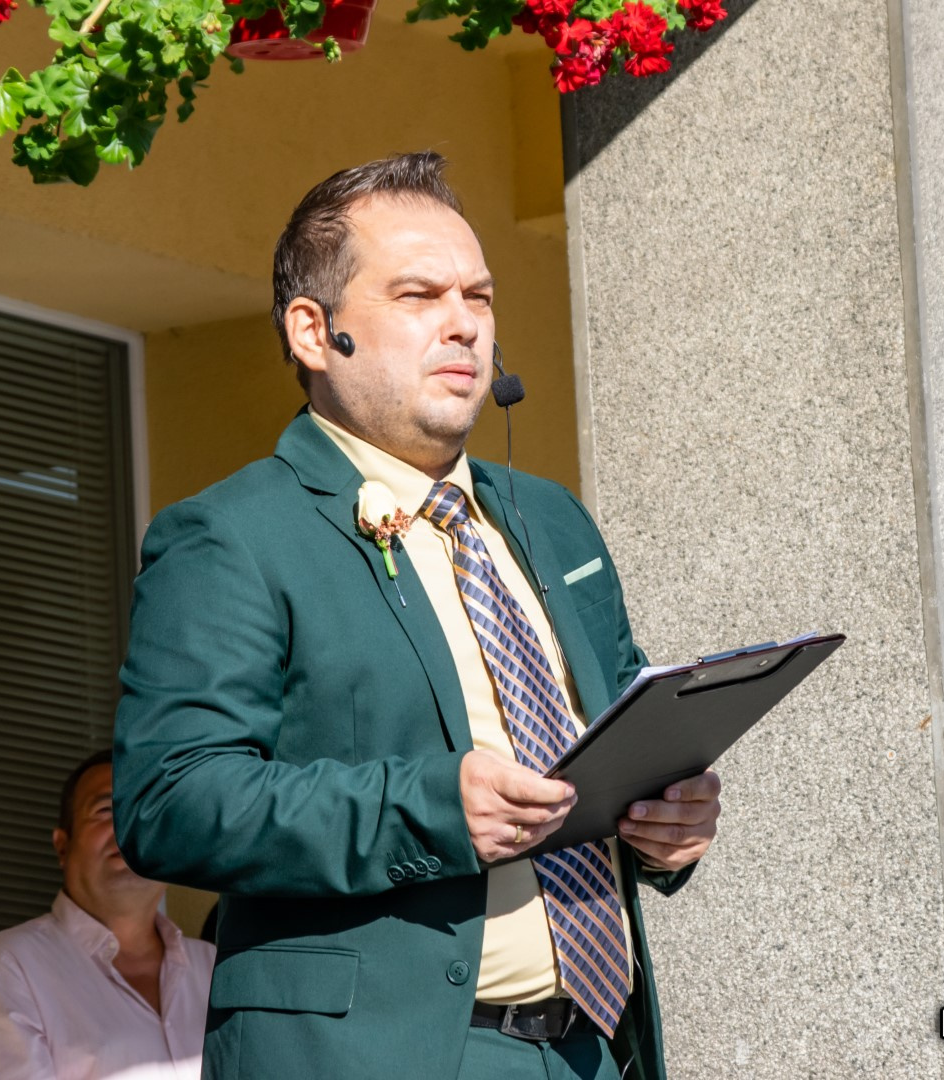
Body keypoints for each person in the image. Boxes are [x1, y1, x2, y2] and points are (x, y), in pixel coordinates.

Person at [113, 152, 720, 1080]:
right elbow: (172, 803)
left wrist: (664, 825)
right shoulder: (232, 536)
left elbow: (619, 731)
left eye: (478, 296)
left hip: (597, 1049)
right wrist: (430, 808)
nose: (463, 323)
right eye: (418, 295)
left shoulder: (551, 518)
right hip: (378, 1054)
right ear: (314, 332)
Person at [0, 750, 214, 1080]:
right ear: (63, 846)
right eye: (105, 810)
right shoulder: (9, 967)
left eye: (147, 812)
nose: (129, 828)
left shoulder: (216, 968)